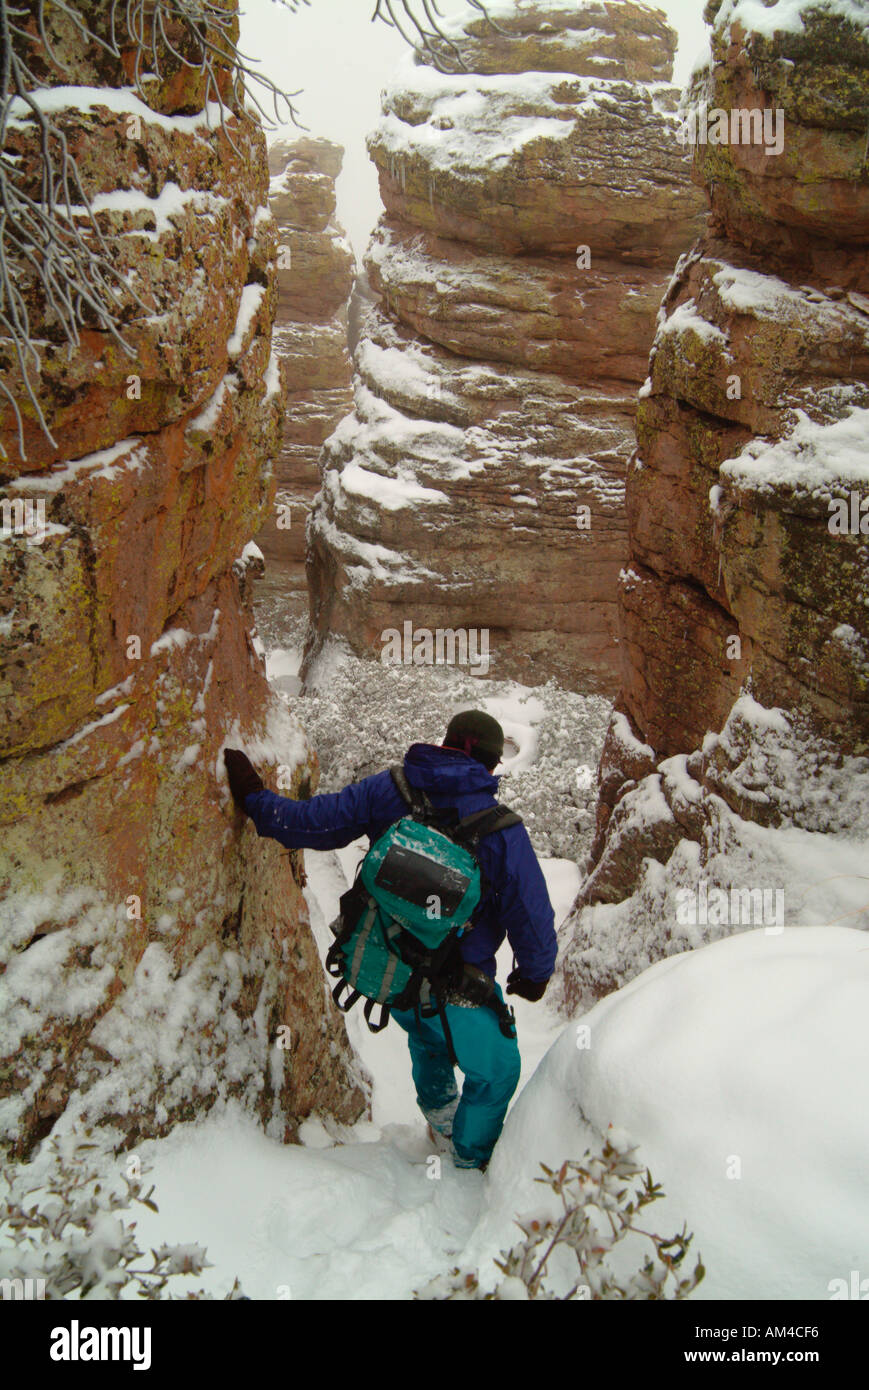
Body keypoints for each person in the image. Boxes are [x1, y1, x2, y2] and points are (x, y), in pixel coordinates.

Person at [223, 709, 557, 1171]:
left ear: (447, 743)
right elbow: (530, 911)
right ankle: (468, 1158)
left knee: (427, 1042)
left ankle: (441, 1124)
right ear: (488, 765)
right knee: (497, 1072)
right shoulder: (502, 831)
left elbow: (315, 823)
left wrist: (256, 800)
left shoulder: (392, 789)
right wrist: (535, 973)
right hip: (462, 985)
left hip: (391, 966)